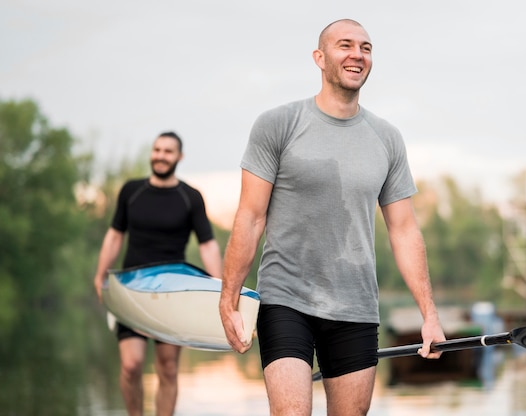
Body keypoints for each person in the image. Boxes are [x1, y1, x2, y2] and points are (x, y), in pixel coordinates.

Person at [219, 19, 445, 416]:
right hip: (285, 299)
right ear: (319, 58)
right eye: (345, 45)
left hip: (355, 305)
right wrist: (229, 298)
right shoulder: (278, 125)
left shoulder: (386, 138)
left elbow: (404, 231)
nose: (357, 54)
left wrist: (429, 316)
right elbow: (250, 217)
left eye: (366, 47)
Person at [93, 131, 223, 416]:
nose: (160, 156)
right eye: (157, 150)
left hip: (171, 296)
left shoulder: (190, 197)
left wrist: (221, 290)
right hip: (131, 291)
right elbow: (115, 236)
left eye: (168, 151)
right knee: (131, 365)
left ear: (179, 157)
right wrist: (100, 274)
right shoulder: (132, 191)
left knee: (167, 367)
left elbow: (208, 245)